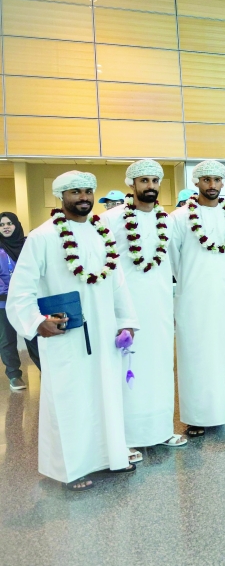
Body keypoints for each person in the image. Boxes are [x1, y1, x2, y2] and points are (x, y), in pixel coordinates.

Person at [8, 171, 139, 491]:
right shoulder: (43, 237)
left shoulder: (101, 234)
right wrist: (37, 322)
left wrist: (126, 321)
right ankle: (70, 470)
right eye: (75, 192)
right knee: (70, 401)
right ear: (61, 197)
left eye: (87, 191)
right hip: (65, 335)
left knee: (106, 397)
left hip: (105, 333)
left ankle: (111, 458)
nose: (83, 197)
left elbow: (118, 282)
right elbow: (20, 289)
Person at [102, 159, 186, 459]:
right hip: (128, 310)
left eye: (154, 181)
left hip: (160, 307)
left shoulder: (168, 219)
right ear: (131, 184)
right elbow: (106, 266)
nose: (150, 186)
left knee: (161, 366)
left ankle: (162, 430)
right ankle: (126, 437)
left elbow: (176, 262)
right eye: (144, 181)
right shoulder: (111, 220)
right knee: (129, 368)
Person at [169, 160, 225, 436]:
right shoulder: (178, 218)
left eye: (216, 180)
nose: (212, 185)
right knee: (196, 356)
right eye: (206, 180)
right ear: (196, 183)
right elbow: (172, 259)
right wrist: (191, 282)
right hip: (193, 298)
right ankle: (197, 417)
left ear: (223, 183)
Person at [0, 212, 40, 391]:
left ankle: (44, 369)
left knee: (33, 334)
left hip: (27, 301)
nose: (6, 227)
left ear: (16, 225)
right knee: (7, 339)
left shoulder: (27, 245)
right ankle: (14, 375)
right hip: (3, 302)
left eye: (9, 223)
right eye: (2, 225)